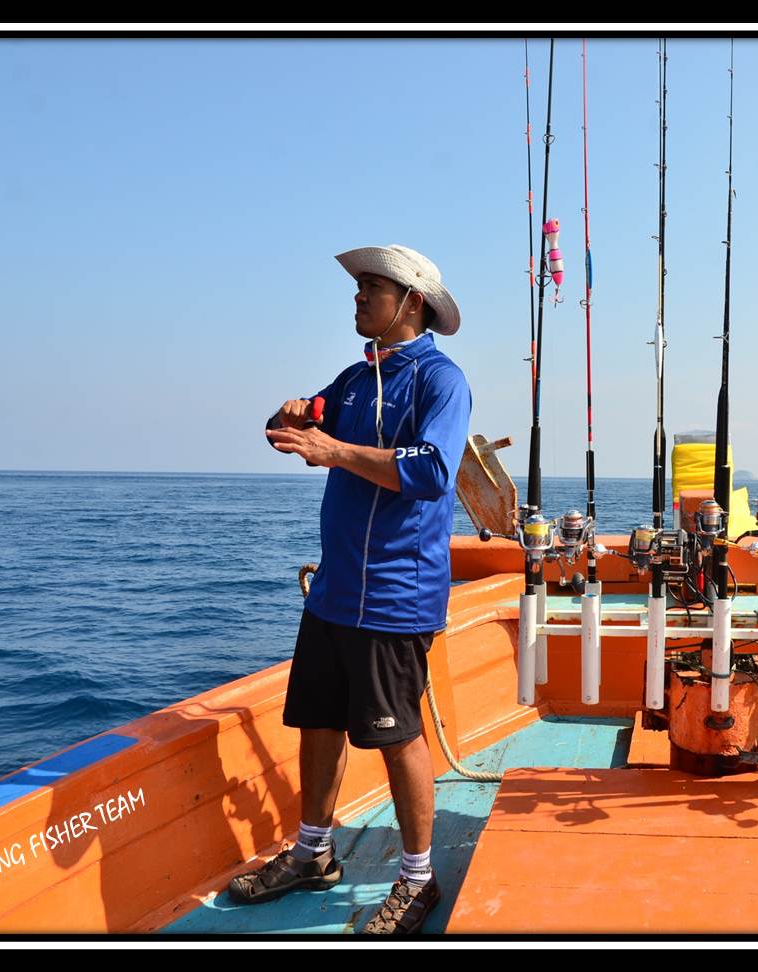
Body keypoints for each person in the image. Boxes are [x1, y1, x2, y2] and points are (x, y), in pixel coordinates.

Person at [230, 244, 470, 936]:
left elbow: (428, 471)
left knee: (398, 737)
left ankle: (418, 879)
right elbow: (297, 427)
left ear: (411, 303)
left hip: (396, 596)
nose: (358, 299)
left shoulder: (441, 381)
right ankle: (313, 853)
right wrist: (297, 417)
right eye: (359, 289)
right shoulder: (352, 379)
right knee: (319, 722)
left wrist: (331, 450)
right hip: (334, 593)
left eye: (371, 289)